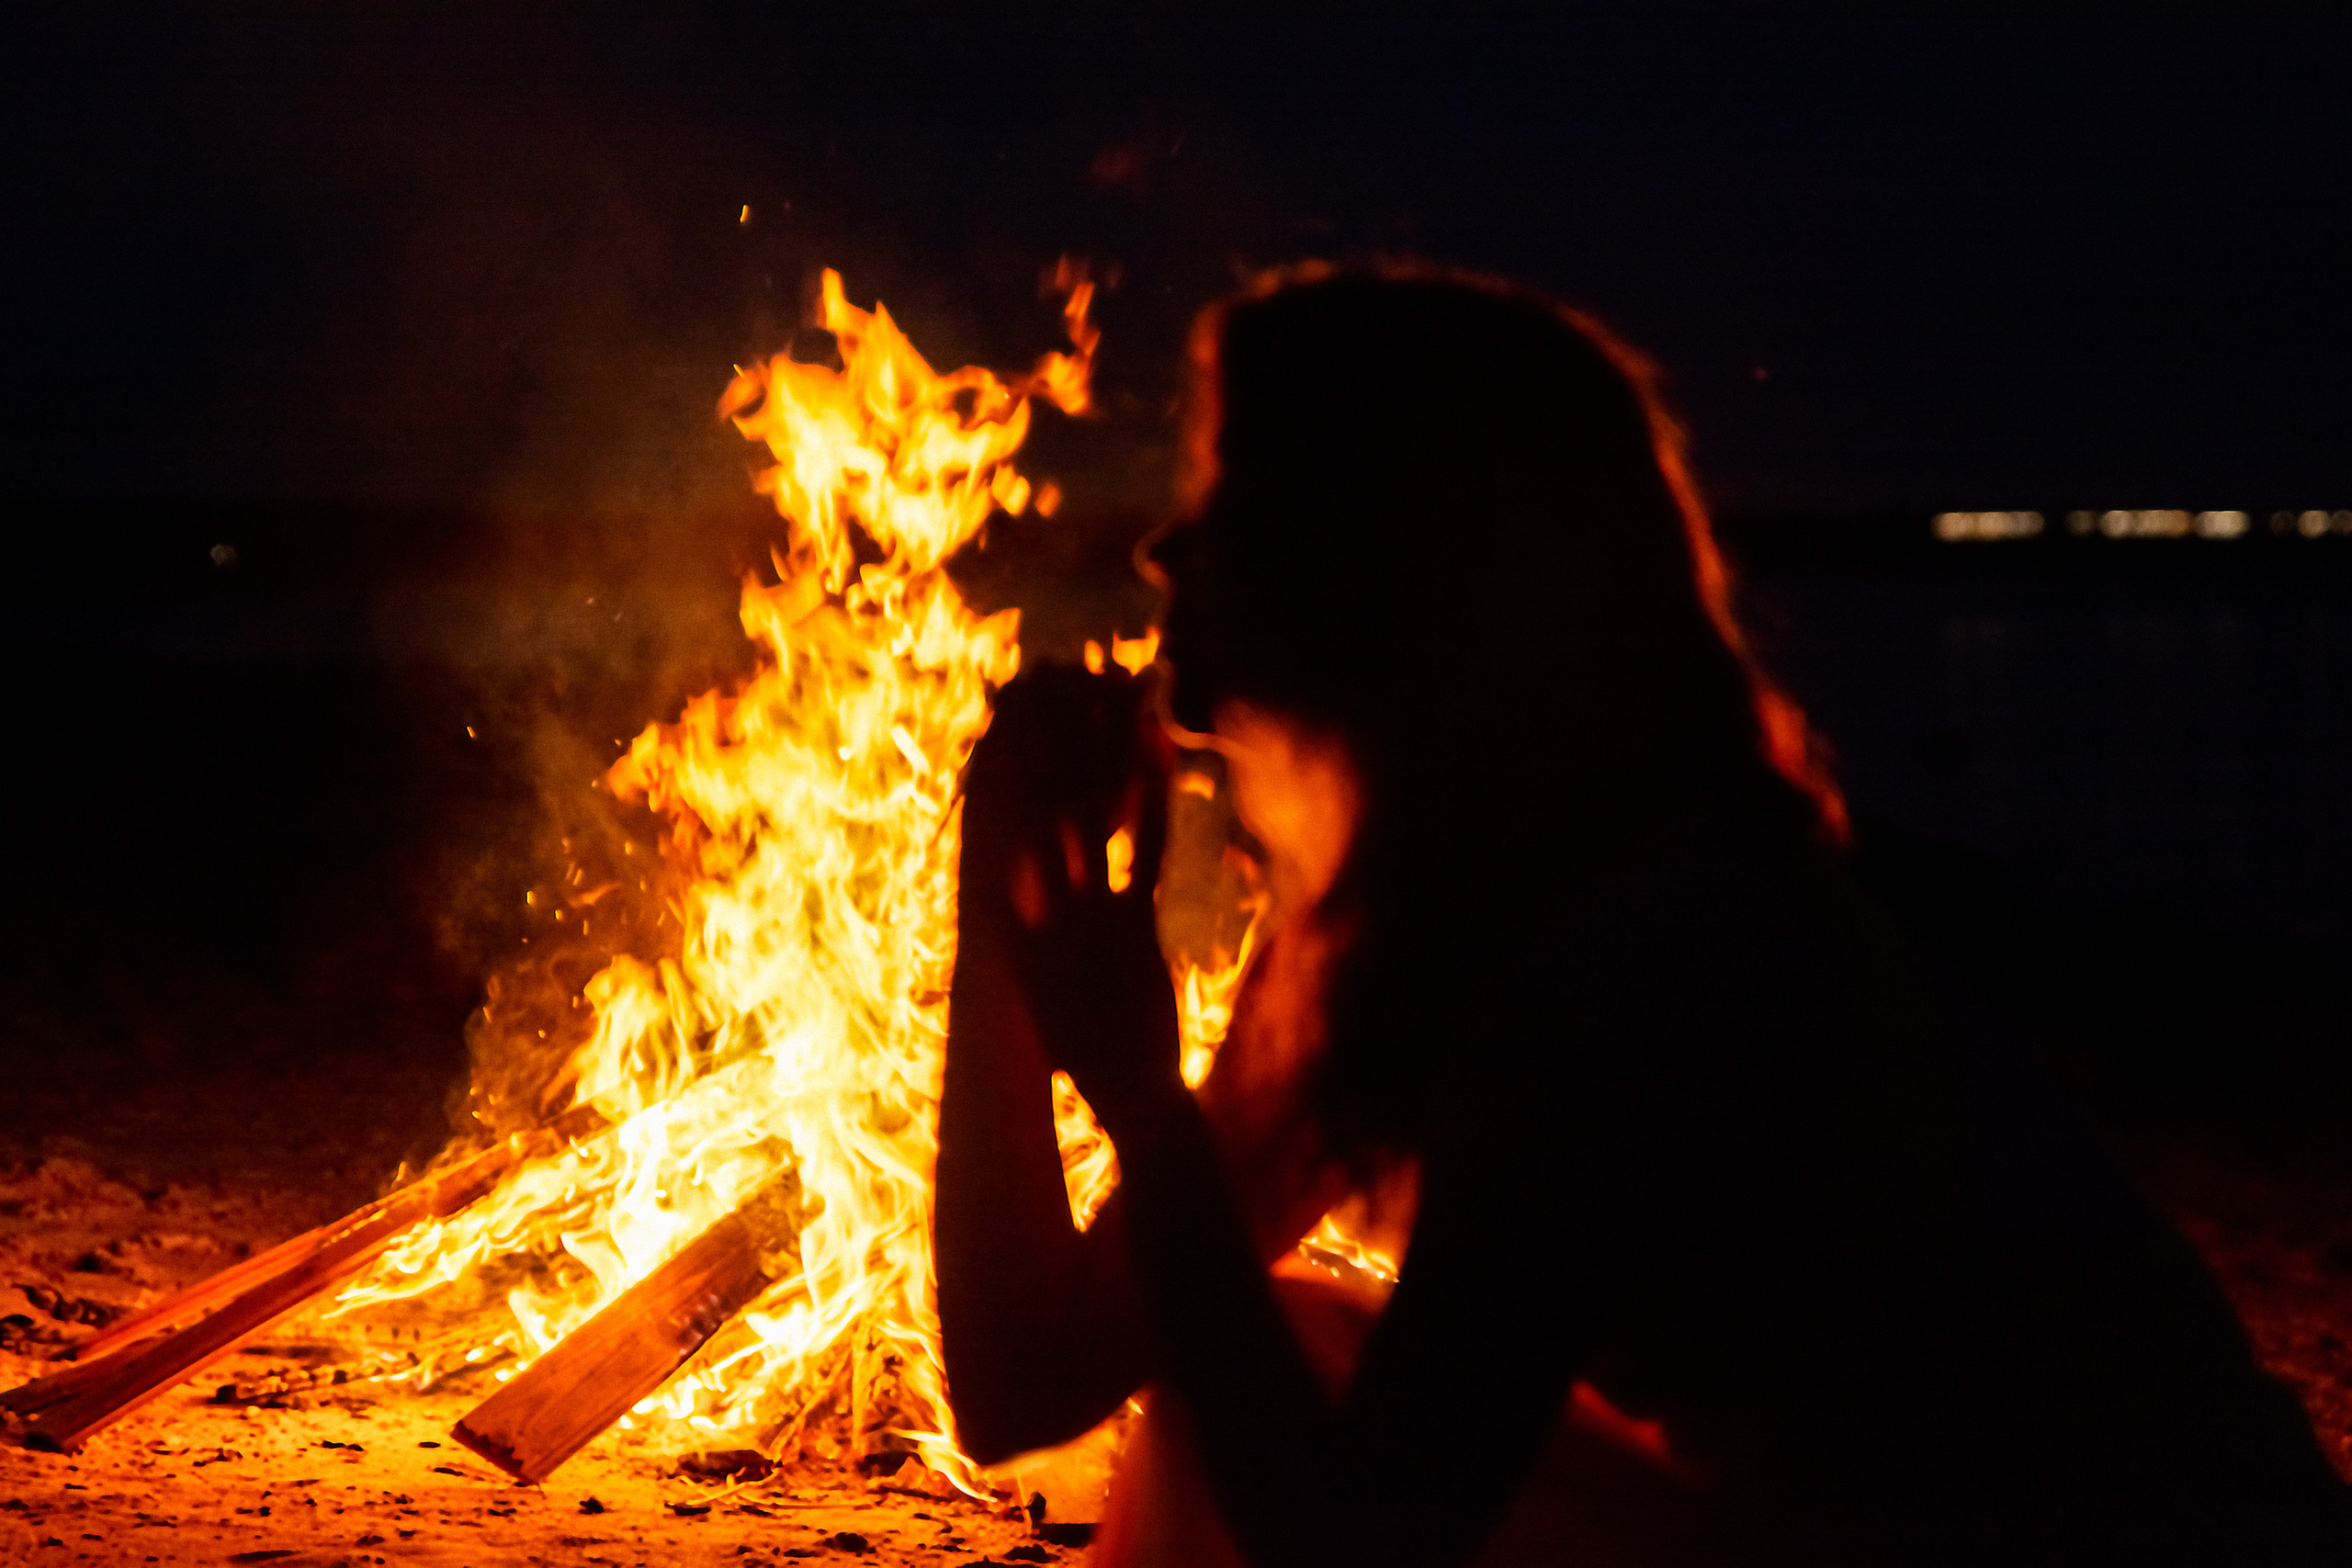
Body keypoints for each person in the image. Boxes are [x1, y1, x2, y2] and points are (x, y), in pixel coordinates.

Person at [932, 264, 2352, 1567]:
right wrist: (1002, 900)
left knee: (1252, 1374)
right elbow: (1021, 1380)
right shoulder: (1395, 928)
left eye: (1233, 494)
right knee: (1261, 1354)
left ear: (1384, 561)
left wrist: (1144, 1100)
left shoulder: (1637, 939)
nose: (1164, 551)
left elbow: (1357, 1544)